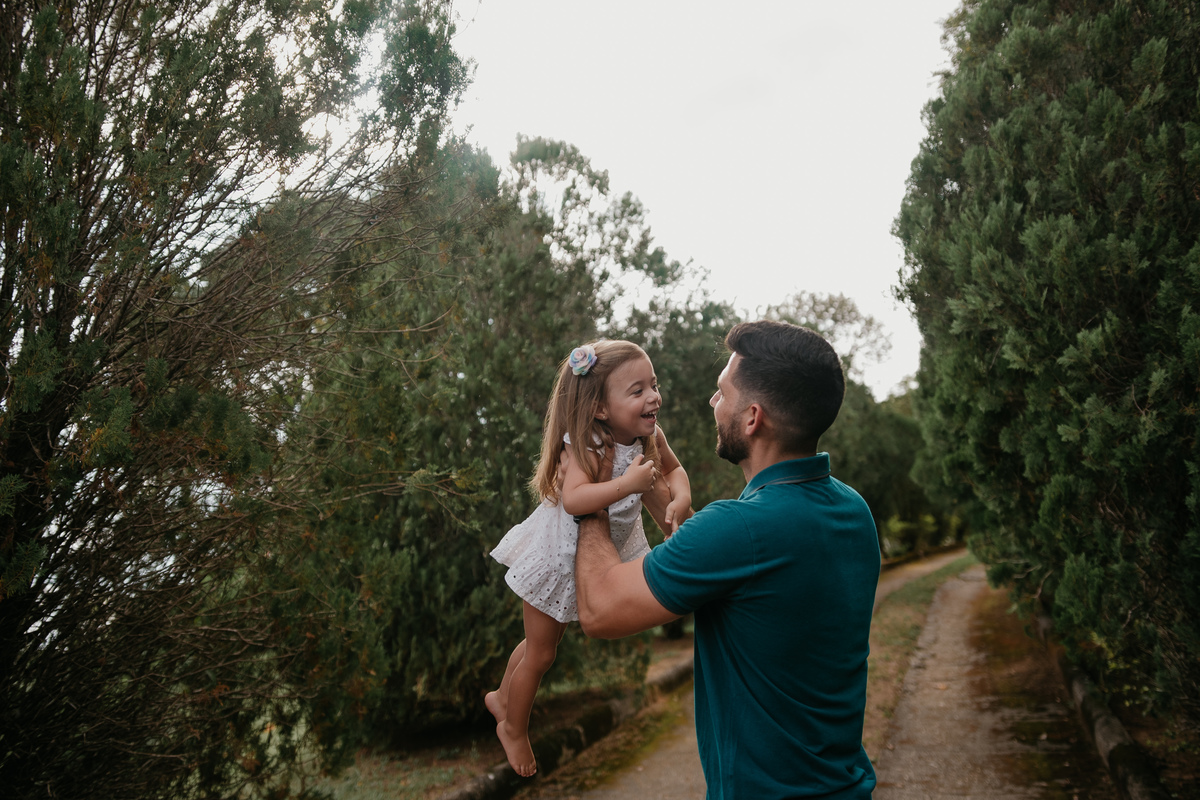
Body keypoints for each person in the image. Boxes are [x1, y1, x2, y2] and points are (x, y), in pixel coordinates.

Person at [574, 320, 880, 799]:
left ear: (753, 418)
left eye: (723, 392)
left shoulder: (739, 531)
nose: (712, 401)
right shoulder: (852, 510)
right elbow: (712, 561)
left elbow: (598, 610)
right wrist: (642, 476)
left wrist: (590, 489)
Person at [486, 339, 692, 777]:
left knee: (541, 645)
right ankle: (513, 727)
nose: (653, 397)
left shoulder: (650, 436)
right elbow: (576, 499)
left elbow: (673, 470)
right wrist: (628, 485)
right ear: (600, 408)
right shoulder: (588, 444)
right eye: (637, 391)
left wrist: (681, 496)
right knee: (541, 653)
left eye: (654, 385)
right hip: (557, 557)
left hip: (589, 560)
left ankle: (503, 697)